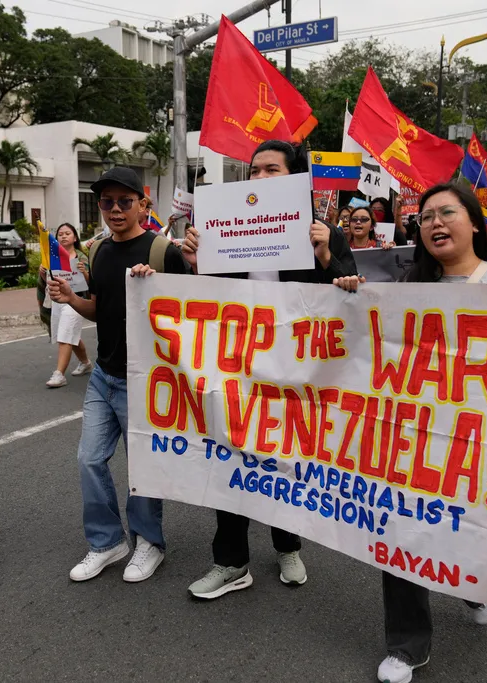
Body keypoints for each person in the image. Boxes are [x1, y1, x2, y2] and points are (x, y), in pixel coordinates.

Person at [345, 183, 487, 683]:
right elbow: (365, 349)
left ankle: (475, 585)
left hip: (474, 437)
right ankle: (407, 645)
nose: (436, 223)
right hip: (407, 430)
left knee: (463, 522)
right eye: (426, 217)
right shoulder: (407, 282)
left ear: (475, 222)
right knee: (398, 525)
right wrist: (349, 298)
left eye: (447, 213)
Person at [178, 139, 358, 599]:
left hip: (297, 374)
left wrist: (325, 258)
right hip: (237, 370)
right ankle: (231, 561)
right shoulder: (219, 231)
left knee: (286, 462)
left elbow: (353, 304)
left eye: (270, 170)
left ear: (296, 179)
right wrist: (196, 265)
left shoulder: (326, 234)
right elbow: (202, 301)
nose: (257, 179)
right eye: (253, 171)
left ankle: (287, 545)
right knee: (231, 457)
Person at [48, 166, 187, 584]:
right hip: (103, 377)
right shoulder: (100, 252)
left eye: (125, 202)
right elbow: (100, 309)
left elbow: (196, 313)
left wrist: (158, 286)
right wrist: (72, 298)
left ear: (143, 205)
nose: (114, 209)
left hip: (145, 380)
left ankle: (150, 542)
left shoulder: (164, 252)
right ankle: (108, 541)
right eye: (107, 202)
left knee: (141, 468)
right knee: (89, 459)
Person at [44, 222, 93, 387]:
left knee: (65, 334)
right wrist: (43, 273)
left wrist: (84, 272)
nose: (63, 236)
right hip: (58, 301)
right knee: (70, 334)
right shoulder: (52, 257)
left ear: (74, 237)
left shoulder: (81, 257)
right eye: (60, 234)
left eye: (67, 233)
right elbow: (48, 282)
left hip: (76, 301)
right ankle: (85, 363)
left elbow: (91, 283)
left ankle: (59, 374)